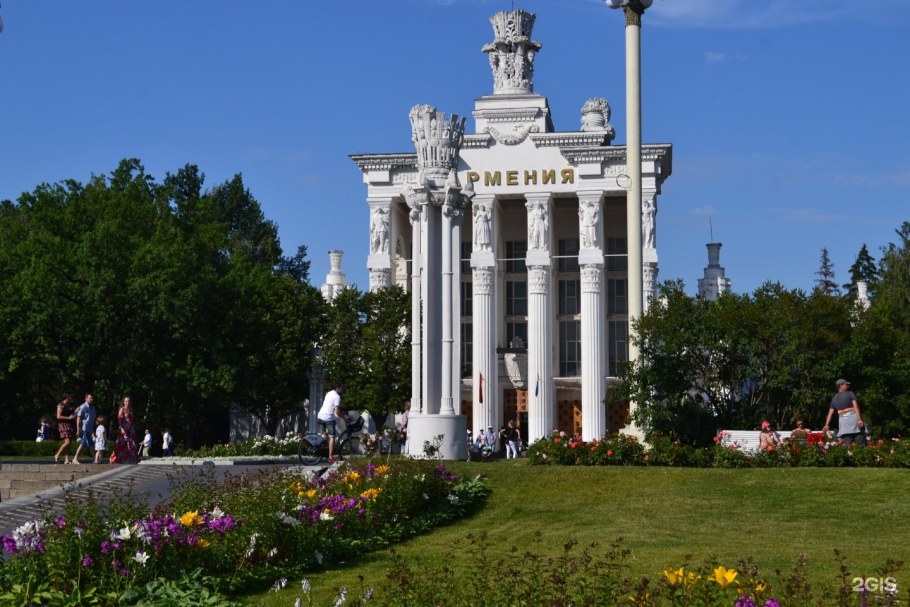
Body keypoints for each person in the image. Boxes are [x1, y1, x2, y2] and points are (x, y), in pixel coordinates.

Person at [823, 379, 866, 446]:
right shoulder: (850, 393)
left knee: (846, 446)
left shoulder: (834, 398)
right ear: (841, 385)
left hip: (844, 425)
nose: (848, 386)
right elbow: (856, 407)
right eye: (846, 384)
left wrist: (826, 424)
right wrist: (859, 419)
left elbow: (830, 413)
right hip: (855, 423)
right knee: (861, 444)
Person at [317, 384, 343, 463]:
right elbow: (337, 411)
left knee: (327, 433)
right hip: (327, 417)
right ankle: (330, 457)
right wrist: (344, 417)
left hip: (320, 415)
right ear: (337, 388)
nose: (342, 390)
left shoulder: (328, 393)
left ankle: (324, 444)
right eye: (342, 388)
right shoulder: (337, 396)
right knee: (332, 437)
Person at [112, 396, 140, 464]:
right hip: (123, 429)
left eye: (128, 401)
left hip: (130, 430)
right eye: (126, 401)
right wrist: (121, 428)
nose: (127, 402)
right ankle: (114, 458)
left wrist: (133, 429)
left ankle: (130, 459)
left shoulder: (130, 409)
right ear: (124, 402)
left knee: (131, 444)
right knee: (121, 444)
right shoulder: (122, 409)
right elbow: (119, 420)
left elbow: (132, 420)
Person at [72, 393, 97, 464]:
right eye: (90, 398)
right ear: (86, 399)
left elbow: (92, 420)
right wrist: (78, 429)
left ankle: (95, 459)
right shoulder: (83, 407)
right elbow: (78, 418)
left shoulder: (93, 408)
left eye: (92, 398)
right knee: (83, 444)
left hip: (90, 429)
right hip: (84, 428)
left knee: (91, 444)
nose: (92, 399)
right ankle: (75, 459)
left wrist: (92, 430)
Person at [53, 393, 77, 464]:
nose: (71, 399)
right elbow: (58, 416)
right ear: (66, 397)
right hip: (63, 425)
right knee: (67, 442)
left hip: (69, 425)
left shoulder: (69, 406)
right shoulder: (61, 405)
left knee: (69, 443)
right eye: (70, 397)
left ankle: (67, 459)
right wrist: (69, 418)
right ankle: (57, 454)